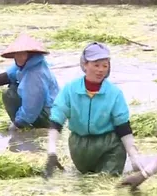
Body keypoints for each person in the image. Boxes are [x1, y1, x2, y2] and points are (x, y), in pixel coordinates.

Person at [43, 42, 144, 177]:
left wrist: (134, 157)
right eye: (96, 65)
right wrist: (52, 152)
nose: (101, 70)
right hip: (79, 146)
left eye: (105, 66)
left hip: (108, 145)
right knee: (87, 181)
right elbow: (57, 119)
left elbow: (123, 126)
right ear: (85, 65)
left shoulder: (114, 93)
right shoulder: (70, 90)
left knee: (107, 181)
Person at [0, 33, 60, 131]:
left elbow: (32, 106)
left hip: (50, 116)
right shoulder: (28, 64)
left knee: (10, 94)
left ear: (30, 54)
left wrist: (18, 124)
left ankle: (28, 126)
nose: (19, 57)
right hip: (47, 110)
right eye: (17, 54)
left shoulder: (36, 75)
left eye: (23, 54)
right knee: (13, 86)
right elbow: (11, 74)